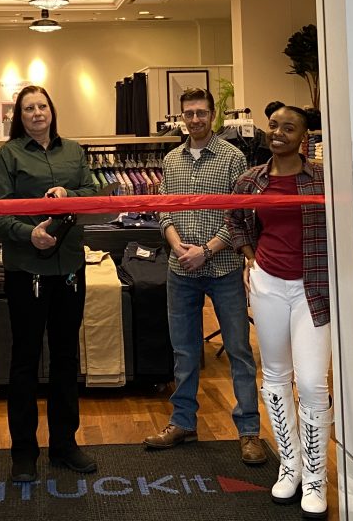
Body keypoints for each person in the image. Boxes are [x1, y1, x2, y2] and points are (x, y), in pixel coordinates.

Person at [142, 88, 264, 466]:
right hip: (181, 270)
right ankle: (183, 422)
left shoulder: (232, 157)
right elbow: (164, 210)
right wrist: (177, 245)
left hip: (223, 269)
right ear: (182, 118)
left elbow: (238, 216)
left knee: (239, 351)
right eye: (189, 113)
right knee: (184, 351)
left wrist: (206, 251)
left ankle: (249, 431)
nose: (195, 119)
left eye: (201, 113)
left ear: (212, 115)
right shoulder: (171, 160)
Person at [0, 85, 99, 483]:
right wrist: (28, 234)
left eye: (42, 106)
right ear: (19, 116)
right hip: (26, 270)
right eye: (28, 108)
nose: (37, 113)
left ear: (52, 110)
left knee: (67, 358)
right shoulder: (8, 155)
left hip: (69, 269)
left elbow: (93, 192)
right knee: (25, 360)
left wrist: (69, 193)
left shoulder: (74, 151)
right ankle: (23, 453)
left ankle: (64, 445)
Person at [227, 104, 331, 521]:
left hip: (313, 287)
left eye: (289, 128)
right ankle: (290, 465)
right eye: (273, 126)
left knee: (311, 382)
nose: (278, 133)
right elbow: (236, 220)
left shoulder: (322, 178)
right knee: (274, 375)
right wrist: (250, 258)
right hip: (268, 283)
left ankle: (317, 476)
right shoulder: (250, 179)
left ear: (303, 137)